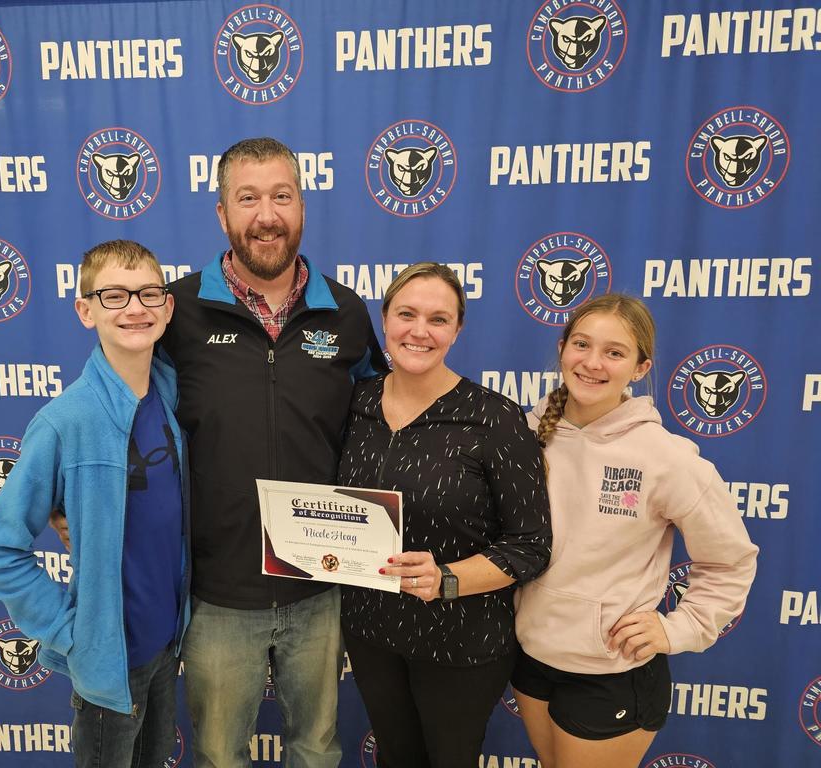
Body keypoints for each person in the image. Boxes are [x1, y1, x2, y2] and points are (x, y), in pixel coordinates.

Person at [47, 138, 386, 766]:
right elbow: (117, 409)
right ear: (222, 213)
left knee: (315, 749)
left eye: (281, 196)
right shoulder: (173, 311)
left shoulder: (346, 313)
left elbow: (380, 421)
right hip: (216, 593)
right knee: (218, 756)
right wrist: (72, 497)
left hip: (322, 584)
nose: (266, 214)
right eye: (247, 198)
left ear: (302, 206)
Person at [512, 293, 758, 768]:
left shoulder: (665, 457)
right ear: (562, 348)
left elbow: (731, 561)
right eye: (581, 344)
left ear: (641, 368)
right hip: (533, 657)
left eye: (614, 352)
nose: (592, 363)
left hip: (611, 672)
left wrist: (680, 627)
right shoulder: (523, 433)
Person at [0, 240, 190, 768]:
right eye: (114, 295)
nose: (135, 308)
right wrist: (73, 634)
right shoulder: (64, 421)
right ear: (85, 309)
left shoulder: (170, 395)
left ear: (167, 306)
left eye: (148, 294)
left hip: (166, 649)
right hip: (108, 667)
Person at [338, 262, 553, 768]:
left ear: (457, 330)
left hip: (460, 639)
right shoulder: (355, 403)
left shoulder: (493, 417)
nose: (419, 330)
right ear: (384, 320)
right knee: (396, 756)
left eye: (438, 319)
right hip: (371, 632)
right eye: (406, 314)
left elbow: (531, 544)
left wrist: (449, 580)